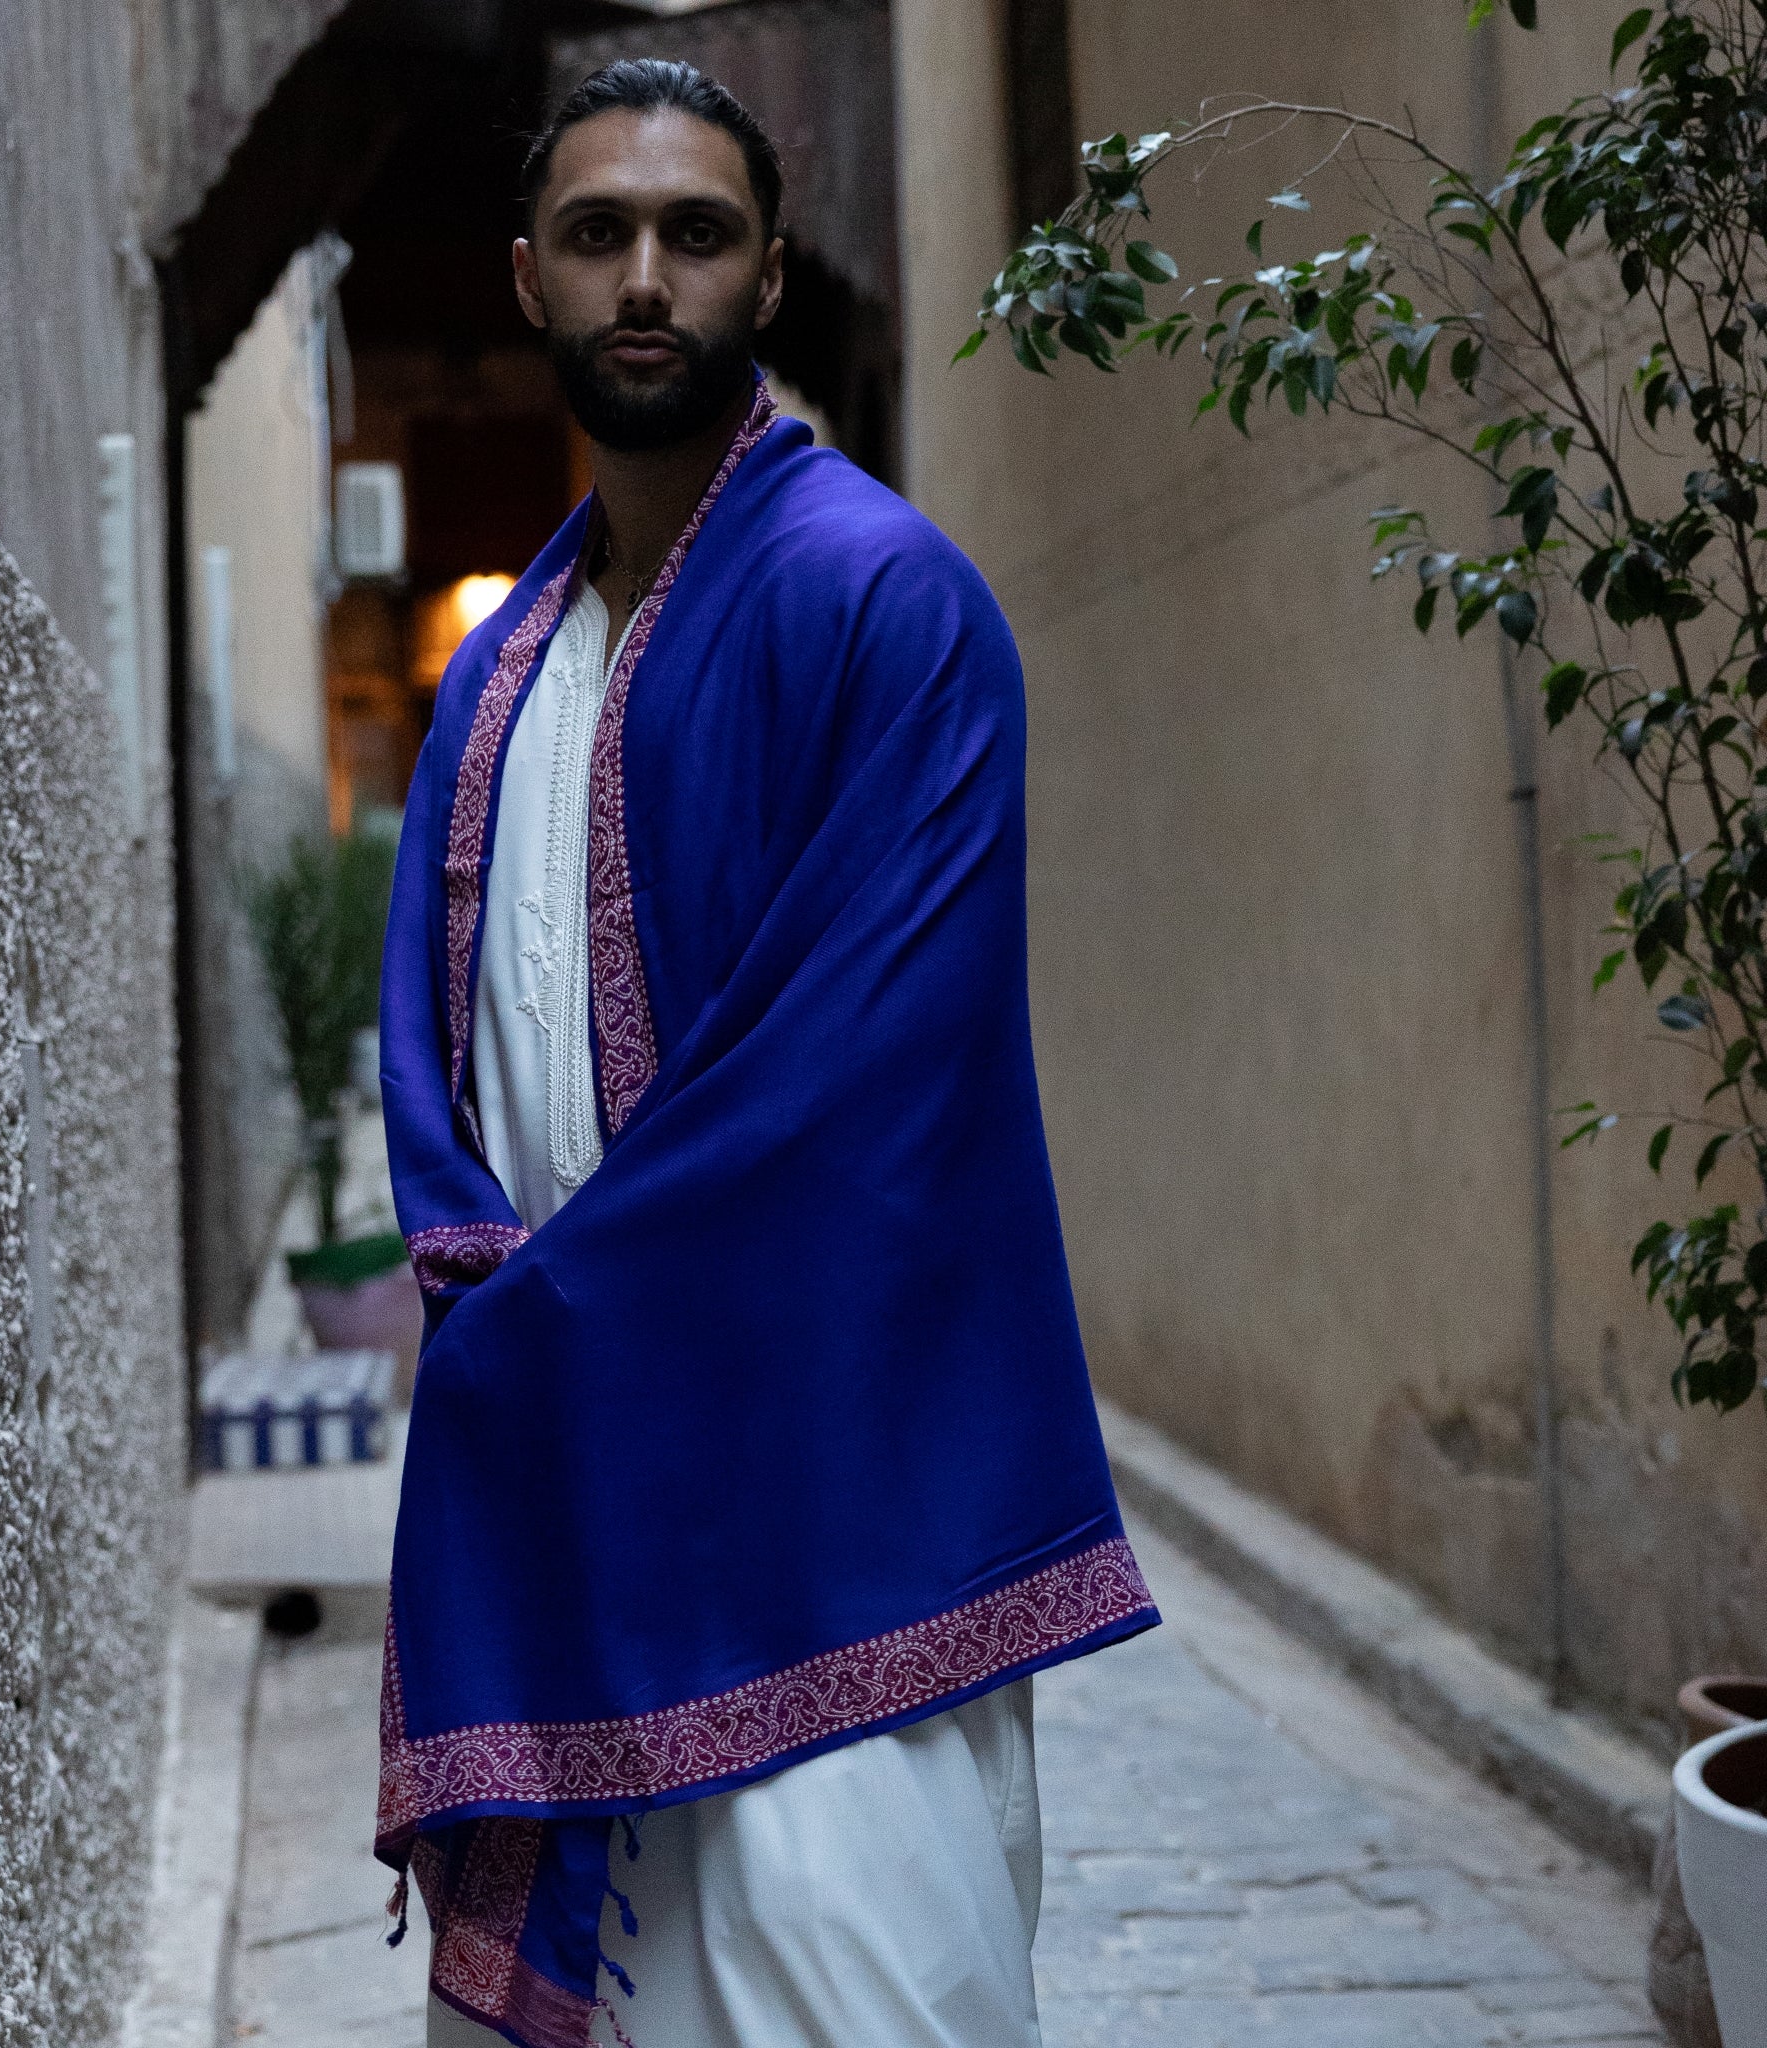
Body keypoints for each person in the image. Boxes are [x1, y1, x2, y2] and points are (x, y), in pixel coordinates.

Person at [376, 58, 1158, 2048]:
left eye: (695, 234)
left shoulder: (887, 607)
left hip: (833, 1521)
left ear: (769, 277)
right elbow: (431, 1079)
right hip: (581, 1508)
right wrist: (491, 1315)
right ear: (531, 278)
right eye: (598, 234)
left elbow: (857, 1106)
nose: (647, 277)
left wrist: (524, 1350)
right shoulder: (490, 678)